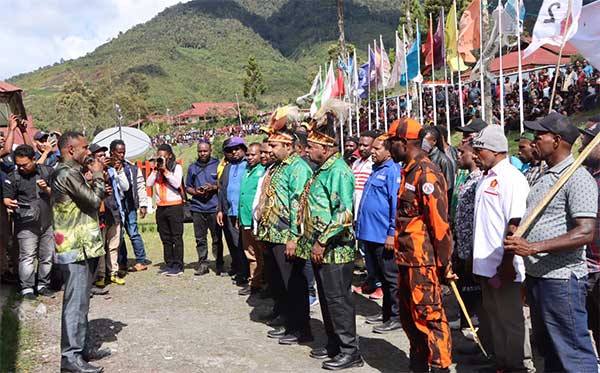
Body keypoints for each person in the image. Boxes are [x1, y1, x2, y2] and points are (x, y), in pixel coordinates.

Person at [505, 113, 599, 372]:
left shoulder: (577, 178)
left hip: (561, 281)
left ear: (557, 140)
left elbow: (585, 232)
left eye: (539, 136)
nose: (534, 140)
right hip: (539, 277)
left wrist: (533, 247)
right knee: (550, 351)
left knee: (573, 354)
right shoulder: (546, 177)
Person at [298, 104, 362, 370]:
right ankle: (334, 343)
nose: (308, 151)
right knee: (326, 299)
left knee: (338, 301)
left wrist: (322, 240)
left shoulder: (339, 171)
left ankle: (351, 351)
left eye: (312, 147)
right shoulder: (323, 169)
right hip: (320, 248)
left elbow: (345, 213)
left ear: (326, 149)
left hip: (335, 249)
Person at [388, 118, 455, 373]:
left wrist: (443, 263)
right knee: (410, 317)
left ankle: (439, 366)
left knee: (430, 316)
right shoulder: (409, 170)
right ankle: (419, 362)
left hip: (423, 261)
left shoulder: (426, 173)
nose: (388, 146)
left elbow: (439, 225)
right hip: (406, 259)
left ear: (403, 143)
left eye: (391, 141)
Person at [471, 125, 535, 373]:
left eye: (480, 150)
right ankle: (501, 363)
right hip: (486, 265)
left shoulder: (512, 179)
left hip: (504, 265)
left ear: (496, 150)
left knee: (511, 319)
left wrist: (507, 262)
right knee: (494, 317)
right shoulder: (486, 176)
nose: (476, 154)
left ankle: (519, 365)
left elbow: (515, 224)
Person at [256, 106, 313, 345]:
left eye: (275, 145)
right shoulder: (278, 167)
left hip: (287, 237)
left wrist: (293, 237)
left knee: (294, 284)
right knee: (279, 282)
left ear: (288, 146)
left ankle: (301, 328)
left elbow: (298, 205)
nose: (270, 149)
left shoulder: (298, 169)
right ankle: (289, 322)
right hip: (271, 234)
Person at [52, 131, 106, 373]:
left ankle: (81, 349)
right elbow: (94, 201)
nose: (89, 152)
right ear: (71, 150)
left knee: (83, 301)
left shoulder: (73, 172)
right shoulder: (67, 173)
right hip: (74, 247)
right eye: (85, 147)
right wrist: (97, 175)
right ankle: (70, 358)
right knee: (75, 303)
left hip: (84, 245)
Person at [355, 135, 402, 334]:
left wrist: (392, 232)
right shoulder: (375, 170)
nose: (372, 152)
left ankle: (396, 316)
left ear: (389, 151)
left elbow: (395, 205)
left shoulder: (392, 171)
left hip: (384, 236)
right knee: (381, 278)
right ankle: (386, 314)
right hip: (369, 234)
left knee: (391, 279)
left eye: (377, 149)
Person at [2, 144, 55, 300]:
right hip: (25, 223)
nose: (22, 168)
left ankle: (43, 285)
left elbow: (58, 196)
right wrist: (8, 202)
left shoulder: (47, 172)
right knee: (27, 256)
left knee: (47, 256)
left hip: (47, 221)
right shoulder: (13, 176)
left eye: (25, 165)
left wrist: (46, 189)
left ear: (34, 159)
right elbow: (6, 198)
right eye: (18, 165)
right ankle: (27, 288)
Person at [351, 130, 383, 300]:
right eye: (360, 144)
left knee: (371, 251)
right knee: (364, 251)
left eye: (366, 145)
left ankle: (379, 284)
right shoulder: (356, 163)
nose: (362, 148)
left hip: (369, 217)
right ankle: (370, 281)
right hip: (356, 215)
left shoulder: (375, 165)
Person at [91, 144, 128, 288]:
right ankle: (100, 275)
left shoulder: (112, 170)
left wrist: (118, 171)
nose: (103, 158)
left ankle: (113, 272)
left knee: (114, 245)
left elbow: (124, 188)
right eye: (99, 156)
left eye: (104, 155)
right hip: (99, 214)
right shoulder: (89, 172)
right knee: (100, 247)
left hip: (114, 211)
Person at [578, 117, 600, 357]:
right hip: (588, 267)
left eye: (588, 141)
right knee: (594, 327)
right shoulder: (586, 177)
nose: (582, 146)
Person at [146, 144, 185, 276]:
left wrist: (166, 171)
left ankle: (178, 265)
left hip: (175, 206)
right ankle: (169, 263)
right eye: (159, 155)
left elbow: (176, 183)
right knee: (165, 237)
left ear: (169, 155)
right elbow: (149, 183)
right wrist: (156, 170)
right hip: (161, 207)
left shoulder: (176, 167)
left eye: (163, 156)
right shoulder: (156, 169)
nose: (161, 158)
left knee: (176, 237)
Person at [185, 141, 222, 276]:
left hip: (214, 207)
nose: (202, 153)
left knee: (216, 238)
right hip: (198, 208)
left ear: (210, 151)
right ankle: (203, 264)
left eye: (205, 151)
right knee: (200, 239)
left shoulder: (218, 165)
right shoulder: (192, 167)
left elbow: (222, 184)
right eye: (200, 151)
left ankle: (219, 264)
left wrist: (213, 187)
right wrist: (195, 192)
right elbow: (187, 186)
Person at [112, 139, 150, 272]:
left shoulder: (132, 168)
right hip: (115, 206)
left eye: (123, 152)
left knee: (133, 232)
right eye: (119, 152)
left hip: (130, 204)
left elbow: (140, 186)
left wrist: (143, 204)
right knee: (118, 234)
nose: (121, 155)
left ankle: (141, 260)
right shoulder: (107, 168)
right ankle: (122, 261)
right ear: (112, 152)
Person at [216, 137, 249, 285]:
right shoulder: (227, 168)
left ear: (244, 149)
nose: (234, 152)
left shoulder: (250, 166)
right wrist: (220, 210)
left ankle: (250, 274)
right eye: (230, 150)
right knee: (234, 244)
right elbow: (222, 190)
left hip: (245, 213)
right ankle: (240, 270)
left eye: (237, 149)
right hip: (230, 212)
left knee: (246, 245)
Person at [237, 142, 265, 296]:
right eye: (247, 155)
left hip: (256, 220)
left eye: (253, 154)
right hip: (244, 219)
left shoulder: (263, 171)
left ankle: (260, 282)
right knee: (250, 253)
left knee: (260, 253)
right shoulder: (247, 170)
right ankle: (253, 282)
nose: (249, 157)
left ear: (261, 154)